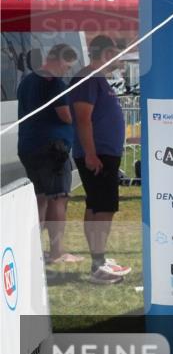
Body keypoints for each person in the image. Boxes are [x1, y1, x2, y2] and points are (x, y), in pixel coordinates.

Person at [67, 35, 132, 284]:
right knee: (103, 207)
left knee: (96, 206)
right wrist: (91, 153)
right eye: (116, 52)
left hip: (102, 153)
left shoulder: (97, 79)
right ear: (106, 52)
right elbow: (83, 119)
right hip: (98, 154)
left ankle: (99, 259)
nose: (119, 58)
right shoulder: (88, 78)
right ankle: (99, 264)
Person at [16, 44, 83, 265]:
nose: (66, 71)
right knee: (58, 198)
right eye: (66, 65)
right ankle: (57, 252)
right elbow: (65, 115)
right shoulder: (53, 82)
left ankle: (33, 249)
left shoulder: (27, 80)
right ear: (56, 59)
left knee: (41, 198)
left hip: (29, 146)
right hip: (52, 150)